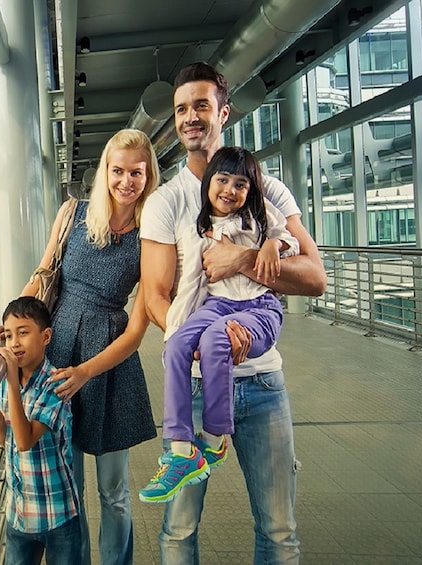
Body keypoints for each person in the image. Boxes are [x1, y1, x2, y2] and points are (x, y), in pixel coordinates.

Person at [140, 62, 327, 564]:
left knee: (279, 529)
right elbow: (156, 296)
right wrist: (202, 342)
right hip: (199, 384)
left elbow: (315, 277)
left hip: (263, 385)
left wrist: (244, 259)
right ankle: (184, 452)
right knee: (178, 532)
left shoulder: (268, 191)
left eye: (201, 105)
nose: (190, 117)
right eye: (181, 109)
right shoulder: (165, 202)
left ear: (224, 112)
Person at [0, 128, 159, 565]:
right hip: (59, 348)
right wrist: (8, 325)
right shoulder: (74, 214)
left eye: (136, 172)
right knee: (72, 487)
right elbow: (43, 274)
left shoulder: (152, 234)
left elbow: (137, 329)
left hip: (108, 364)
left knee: (114, 489)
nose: (126, 181)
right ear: (105, 170)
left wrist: (87, 371)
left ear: (148, 175)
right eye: (117, 170)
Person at [139, 146, 299, 503]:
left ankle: (213, 438)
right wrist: (180, 326)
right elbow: (189, 284)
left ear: (250, 190)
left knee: (215, 340)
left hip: (258, 307)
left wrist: (271, 247)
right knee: (178, 343)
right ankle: (182, 449)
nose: (230, 190)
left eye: (240, 184)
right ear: (209, 182)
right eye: (222, 180)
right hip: (218, 304)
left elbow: (289, 239)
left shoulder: (259, 215)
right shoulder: (202, 224)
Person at [0, 296, 82, 565]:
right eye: (7, 335)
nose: (14, 342)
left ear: (46, 336)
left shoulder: (56, 384)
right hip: (19, 513)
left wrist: (10, 380)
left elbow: (26, 440)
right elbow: (9, 441)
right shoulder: (7, 383)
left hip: (58, 513)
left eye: (24, 333)